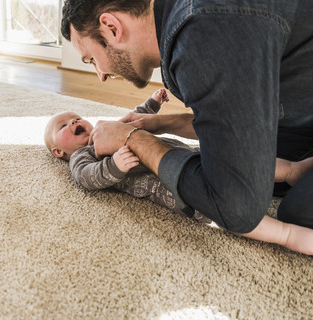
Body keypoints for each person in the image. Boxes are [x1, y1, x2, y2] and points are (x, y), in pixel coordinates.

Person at [60, 1, 313, 242]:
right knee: (258, 168)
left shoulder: (201, 36)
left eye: (92, 59)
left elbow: (237, 208)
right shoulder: (183, 20)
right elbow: (229, 117)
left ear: (112, 27)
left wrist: (135, 139)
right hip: (300, 115)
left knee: (293, 212)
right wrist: (159, 123)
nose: (100, 75)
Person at [44, 89, 313, 255]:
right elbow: (86, 178)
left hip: (188, 155)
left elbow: (134, 119)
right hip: (176, 187)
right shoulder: (82, 156)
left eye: (75, 117)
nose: (74, 122)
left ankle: (292, 170)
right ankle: (288, 235)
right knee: (224, 210)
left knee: (237, 163)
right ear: (58, 152)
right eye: (63, 126)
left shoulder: (105, 129)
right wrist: (113, 165)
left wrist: (152, 103)